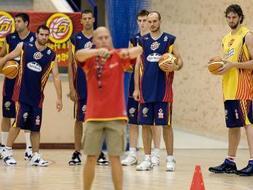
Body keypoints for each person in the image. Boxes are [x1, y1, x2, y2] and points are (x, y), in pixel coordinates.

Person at [75, 27, 142, 190]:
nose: (104, 40)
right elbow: (78, 54)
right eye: (100, 38)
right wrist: (97, 52)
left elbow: (138, 49)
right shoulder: (89, 60)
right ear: (94, 41)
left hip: (116, 116)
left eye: (107, 37)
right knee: (91, 157)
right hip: (93, 117)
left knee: (115, 158)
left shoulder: (118, 57)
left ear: (111, 39)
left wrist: (114, 53)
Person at [0, 25, 63, 166]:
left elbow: (57, 76)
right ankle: (7, 151)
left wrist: (59, 98)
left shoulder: (51, 55)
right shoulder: (24, 47)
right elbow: (9, 56)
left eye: (46, 35)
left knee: (36, 128)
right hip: (22, 94)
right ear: (36, 34)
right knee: (17, 124)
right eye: (41, 34)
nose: (44, 37)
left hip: (37, 98)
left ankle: (35, 155)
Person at [134, 11, 183, 171]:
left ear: (160, 21)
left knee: (166, 125)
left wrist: (175, 66)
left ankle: (170, 158)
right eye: (150, 21)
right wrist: (136, 88)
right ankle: (147, 158)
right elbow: (137, 66)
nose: (152, 24)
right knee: (145, 125)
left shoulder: (169, 40)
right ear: (147, 23)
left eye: (155, 21)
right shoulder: (142, 41)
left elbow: (180, 60)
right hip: (145, 90)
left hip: (163, 90)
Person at [209, 4, 253, 176]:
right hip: (228, 88)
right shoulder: (226, 38)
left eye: (234, 17)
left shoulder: (247, 36)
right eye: (228, 17)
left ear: (240, 17)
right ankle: (230, 161)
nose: (231, 20)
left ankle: (252, 161)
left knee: (248, 124)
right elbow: (228, 61)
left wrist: (234, 65)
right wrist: (218, 62)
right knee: (233, 126)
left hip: (243, 88)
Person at [121, 9, 162, 166]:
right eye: (141, 20)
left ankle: (155, 154)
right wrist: (129, 65)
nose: (143, 23)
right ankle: (132, 153)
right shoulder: (134, 40)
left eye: (146, 20)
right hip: (135, 84)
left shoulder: (156, 41)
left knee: (152, 122)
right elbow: (128, 66)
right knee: (132, 119)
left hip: (152, 85)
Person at [68, 9, 108, 166]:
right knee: (79, 120)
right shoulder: (75, 39)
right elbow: (71, 65)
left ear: (93, 20)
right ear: (81, 21)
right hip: (81, 86)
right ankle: (77, 152)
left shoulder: (100, 39)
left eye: (90, 18)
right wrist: (71, 88)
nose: (87, 21)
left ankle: (98, 152)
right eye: (84, 18)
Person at [0, 13, 35, 160]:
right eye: (15, 21)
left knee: (25, 114)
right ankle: (2, 146)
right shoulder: (10, 38)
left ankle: (29, 148)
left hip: (27, 82)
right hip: (10, 81)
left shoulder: (34, 38)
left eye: (19, 21)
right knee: (7, 114)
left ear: (26, 23)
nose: (16, 23)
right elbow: (3, 56)